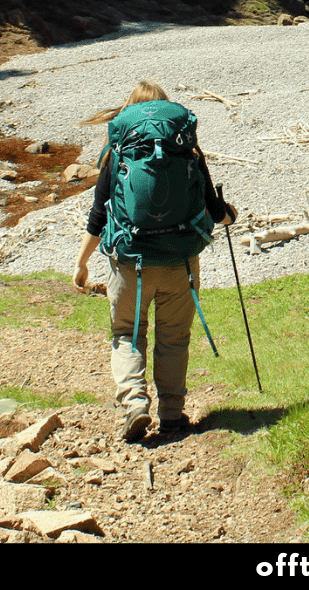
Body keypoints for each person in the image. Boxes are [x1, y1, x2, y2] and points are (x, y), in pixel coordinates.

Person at [73, 81, 236, 442]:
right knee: (174, 338)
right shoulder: (188, 150)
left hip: (131, 263)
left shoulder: (117, 151)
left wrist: (81, 263)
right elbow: (215, 210)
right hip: (180, 263)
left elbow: (99, 214)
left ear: (129, 110)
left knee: (126, 334)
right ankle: (173, 415)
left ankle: (134, 404)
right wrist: (229, 215)